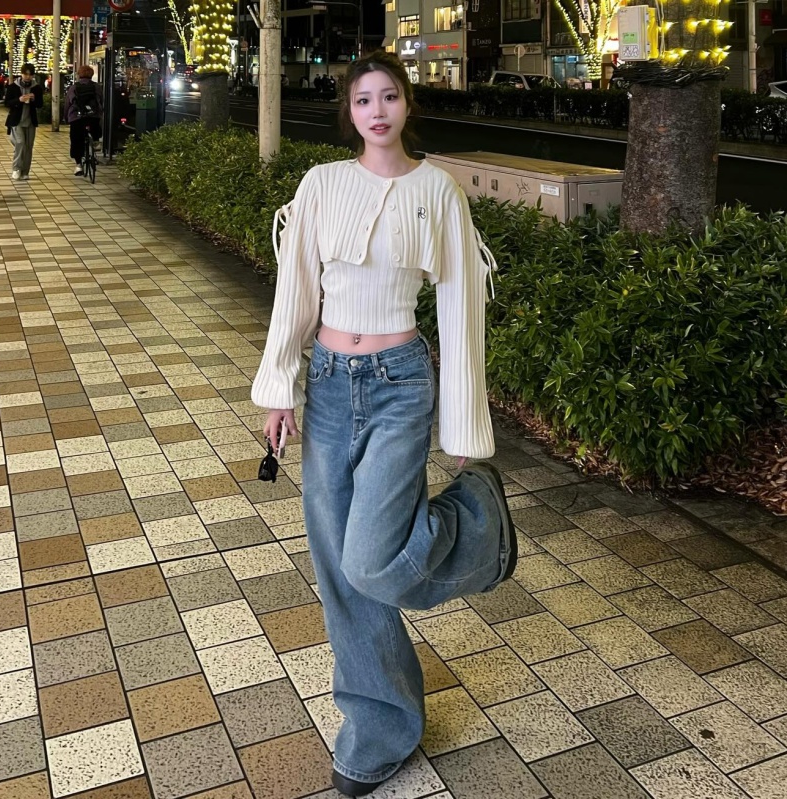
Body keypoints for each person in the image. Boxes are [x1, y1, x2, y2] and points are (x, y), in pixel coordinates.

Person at [250, 50, 517, 798]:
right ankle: (379, 731)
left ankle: (477, 525)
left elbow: (462, 306)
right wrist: (280, 390)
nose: (377, 110)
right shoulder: (321, 184)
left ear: (407, 105)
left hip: (400, 384)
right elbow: (295, 292)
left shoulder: (438, 191)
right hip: (330, 387)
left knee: (368, 560)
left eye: (389, 96)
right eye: (363, 98)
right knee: (340, 573)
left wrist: (464, 432)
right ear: (350, 111)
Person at [4, 64, 43, 181]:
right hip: (17, 121)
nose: (28, 77)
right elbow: (7, 103)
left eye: (30, 75)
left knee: (29, 146)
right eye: (26, 74)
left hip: (30, 121)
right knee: (20, 143)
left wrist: (34, 99)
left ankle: (25, 171)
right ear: (21, 74)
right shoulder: (13, 87)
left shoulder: (36, 88)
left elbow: (40, 104)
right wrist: (19, 100)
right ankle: (16, 169)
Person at [64, 65, 103, 176]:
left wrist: (66, 118)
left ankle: (78, 166)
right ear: (91, 75)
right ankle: (96, 141)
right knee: (95, 126)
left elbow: (67, 104)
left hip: (77, 118)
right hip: (92, 117)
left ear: (79, 75)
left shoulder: (73, 88)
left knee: (76, 140)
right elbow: (101, 101)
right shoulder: (97, 87)